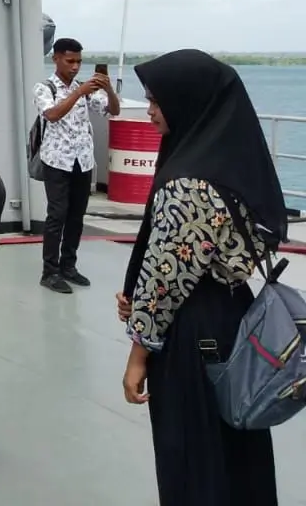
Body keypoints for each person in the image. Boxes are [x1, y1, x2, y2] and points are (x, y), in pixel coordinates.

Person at [118, 49, 283, 506]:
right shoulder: (230, 165)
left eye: (156, 101)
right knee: (235, 450)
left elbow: (165, 281)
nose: (149, 111)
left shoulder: (188, 182)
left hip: (193, 331)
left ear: (188, 102)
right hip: (232, 315)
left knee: (192, 451)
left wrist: (137, 356)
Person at [34, 37, 119, 293]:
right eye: (70, 61)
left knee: (76, 216)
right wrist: (78, 93)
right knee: (56, 216)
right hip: (57, 161)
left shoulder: (84, 89)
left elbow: (113, 111)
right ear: (56, 58)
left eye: (79, 62)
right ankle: (49, 272)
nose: (75, 67)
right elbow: (52, 114)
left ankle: (68, 266)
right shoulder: (44, 88)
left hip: (82, 161)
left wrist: (108, 89)